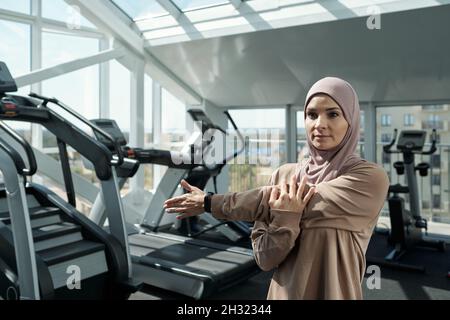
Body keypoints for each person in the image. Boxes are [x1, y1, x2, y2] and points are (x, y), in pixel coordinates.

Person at [164, 77, 389, 300]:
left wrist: (209, 203)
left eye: (333, 114)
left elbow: (288, 200)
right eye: (312, 115)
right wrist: (287, 218)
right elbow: (265, 259)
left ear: (351, 120)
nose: (319, 124)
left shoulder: (369, 178)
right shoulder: (283, 174)